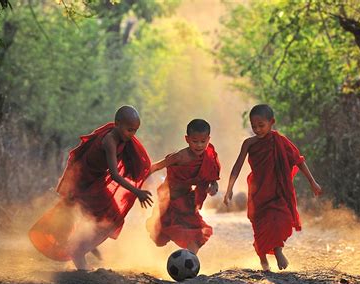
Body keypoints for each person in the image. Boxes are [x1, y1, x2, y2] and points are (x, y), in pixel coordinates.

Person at [29, 105, 153, 270]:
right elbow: (115, 175)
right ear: (117, 124)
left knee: (109, 217)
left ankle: (85, 244)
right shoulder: (109, 141)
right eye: (129, 130)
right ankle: (80, 254)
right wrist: (137, 192)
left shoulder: (120, 137)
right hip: (83, 182)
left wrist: (164, 164)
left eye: (135, 131)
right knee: (103, 219)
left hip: (96, 181)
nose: (132, 135)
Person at [224, 104, 322, 271]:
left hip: (277, 189)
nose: (257, 130)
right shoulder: (249, 144)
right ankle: (262, 258)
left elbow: (299, 160)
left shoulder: (280, 141)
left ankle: (278, 251)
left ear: (272, 122)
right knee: (260, 225)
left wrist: (312, 182)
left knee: (280, 219)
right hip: (257, 190)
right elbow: (237, 165)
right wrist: (229, 188)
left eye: (261, 125)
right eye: (254, 126)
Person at [146, 119, 220, 254]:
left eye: (203, 141)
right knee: (159, 237)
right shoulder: (179, 157)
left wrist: (213, 186)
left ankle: (191, 262)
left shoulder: (208, 157)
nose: (199, 145)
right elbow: (156, 167)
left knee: (197, 233)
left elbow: (212, 178)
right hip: (168, 201)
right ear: (187, 139)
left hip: (187, 202)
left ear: (208, 139)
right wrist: (137, 179)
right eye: (195, 141)